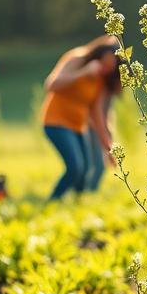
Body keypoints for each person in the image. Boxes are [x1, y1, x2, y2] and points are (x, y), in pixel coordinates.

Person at [41, 39, 118, 201]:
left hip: (77, 126)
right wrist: (83, 73)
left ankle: (78, 203)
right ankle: (53, 200)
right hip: (56, 122)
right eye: (109, 61)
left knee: (86, 170)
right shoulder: (77, 58)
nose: (109, 67)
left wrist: (108, 147)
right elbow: (51, 84)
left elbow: (97, 115)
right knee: (76, 167)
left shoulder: (100, 79)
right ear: (102, 53)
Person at [81, 35, 121, 192]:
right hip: (89, 125)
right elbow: (96, 114)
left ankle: (86, 194)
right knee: (96, 166)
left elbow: (105, 113)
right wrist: (106, 141)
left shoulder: (108, 83)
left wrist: (108, 137)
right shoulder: (96, 76)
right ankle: (85, 194)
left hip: (96, 126)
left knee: (96, 166)